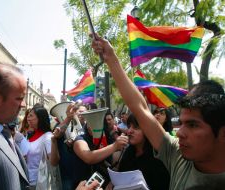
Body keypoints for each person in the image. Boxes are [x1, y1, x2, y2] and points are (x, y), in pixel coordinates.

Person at [91, 35, 225, 189]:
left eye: (193, 125)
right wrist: (111, 58)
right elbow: (140, 108)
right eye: (181, 123)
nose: (180, 133)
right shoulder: (177, 155)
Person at [116, 114, 170, 190]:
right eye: (129, 127)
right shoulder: (128, 152)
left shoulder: (157, 156)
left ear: (147, 130)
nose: (129, 131)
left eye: (136, 127)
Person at [26, 106, 57, 188]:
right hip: (28, 181)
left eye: (31, 116)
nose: (28, 119)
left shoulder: (47, 137)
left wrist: (53, 141)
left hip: (39, 183)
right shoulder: (31, 135)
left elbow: (53, 162)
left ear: (40, 118)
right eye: (28, 116)